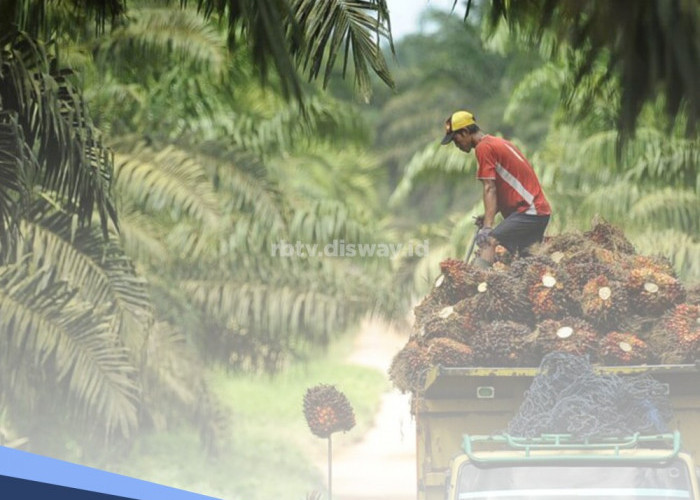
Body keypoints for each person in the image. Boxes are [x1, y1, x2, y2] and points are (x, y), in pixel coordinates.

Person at [440, 110, 551, 268]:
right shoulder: (496, 142)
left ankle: (475, 286)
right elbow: (506, 190)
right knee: (528, 264)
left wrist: (487, 227)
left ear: (465, 132)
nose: (456, 145)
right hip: (538, 212)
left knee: (489, 241)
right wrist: (487, 215)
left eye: (455, 139)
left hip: (530, 211)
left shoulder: (483, 148)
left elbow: (489, 188)